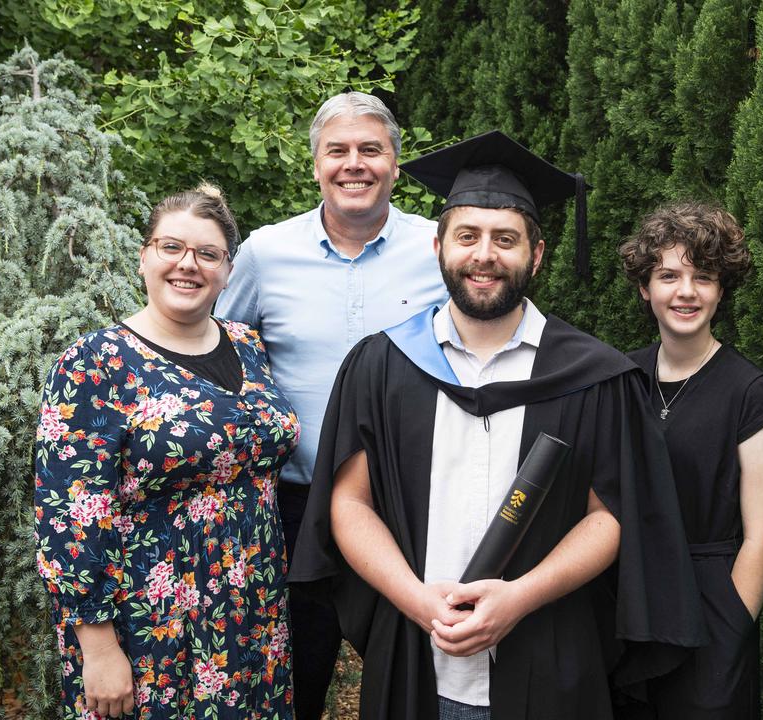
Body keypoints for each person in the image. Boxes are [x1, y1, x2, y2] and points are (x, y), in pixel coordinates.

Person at [287, 131, 707, 720]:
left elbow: (610, 515)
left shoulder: (594, 377)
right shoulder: (382, 366)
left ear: (536, 254)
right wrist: (418, 602)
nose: (484, 254)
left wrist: (518, 598)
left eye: (505, 239)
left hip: (550, 657)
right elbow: (349, 503)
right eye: (468, 236)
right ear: (438, 247)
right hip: (414, 656)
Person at [215, 92, 448, 719]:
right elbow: (217, 357)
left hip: (411, 508)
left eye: (370, 150)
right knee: (295, 679)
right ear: (315, 164)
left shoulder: (439, 249)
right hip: (296, 508)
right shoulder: (265, 254)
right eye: (337, 150)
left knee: (419, 675)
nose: (354, 164)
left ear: (396, 164)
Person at [34, 185, 300, 719]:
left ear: (227, 269)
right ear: (144, 257)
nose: (188, 265)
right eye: (170, 247)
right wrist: (99, 648)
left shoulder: (248, 345)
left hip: (253, 615)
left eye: (208, 254)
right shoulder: (96, 363)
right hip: (151, 626)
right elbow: (68, 517)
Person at [614, 202, 763, 719]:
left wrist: (732, 625)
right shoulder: (621, 378)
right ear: (646, 288)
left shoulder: (750, 393)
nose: (686, 292)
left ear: (720, 290)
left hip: (712, 608)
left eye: (703, 277)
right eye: (668, 275)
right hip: (632, 603)